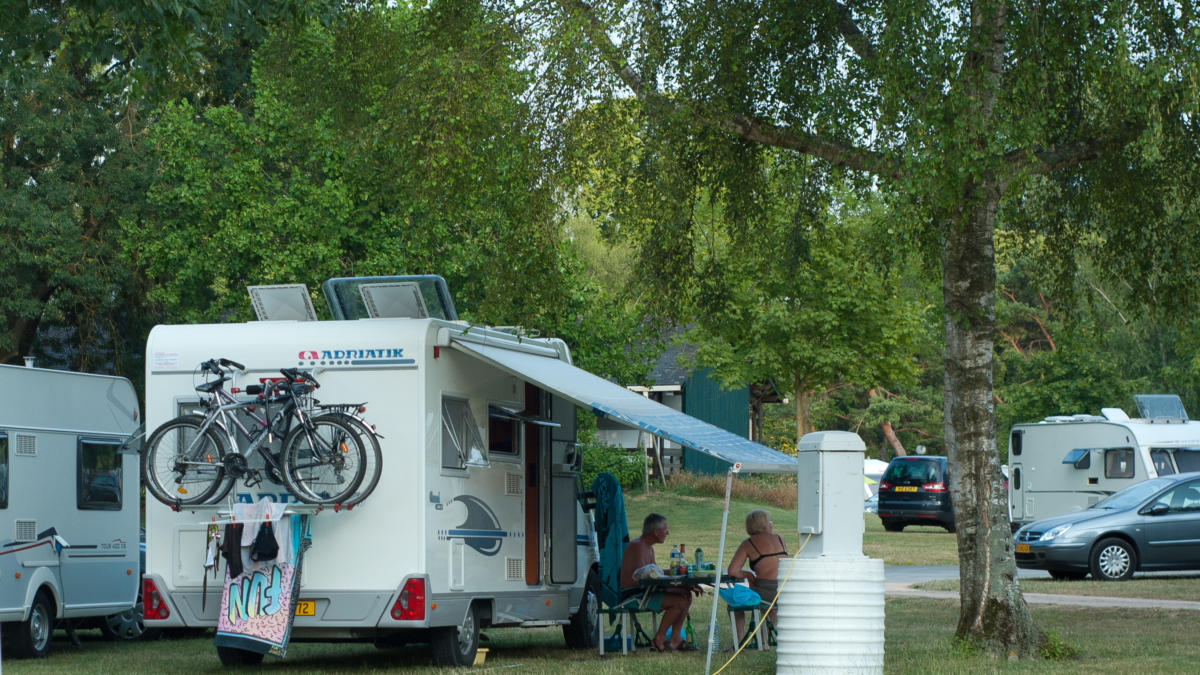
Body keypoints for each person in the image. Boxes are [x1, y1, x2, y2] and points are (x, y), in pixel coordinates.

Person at [619, 512, 701, 652]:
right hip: (633, 595)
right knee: (679, 601)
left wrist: (684, 581)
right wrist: (677, 585)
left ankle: (675, 640)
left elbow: (656, 575)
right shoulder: (638, 546)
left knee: (686, 594)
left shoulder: (648, 547)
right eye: (665, 529)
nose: (667, 532)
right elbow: (645, 580)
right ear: (656, 532)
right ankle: (659, 638)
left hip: (645, 592)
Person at [726, 509, 788, 647]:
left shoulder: (749, 543)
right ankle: (762, 639)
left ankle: (741, 642)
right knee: (772, 605)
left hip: (766, 590)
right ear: (765, 524)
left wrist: (747, 574)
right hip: (784, 590)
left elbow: (733, 571)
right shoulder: (780, 539)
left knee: (734, 601)